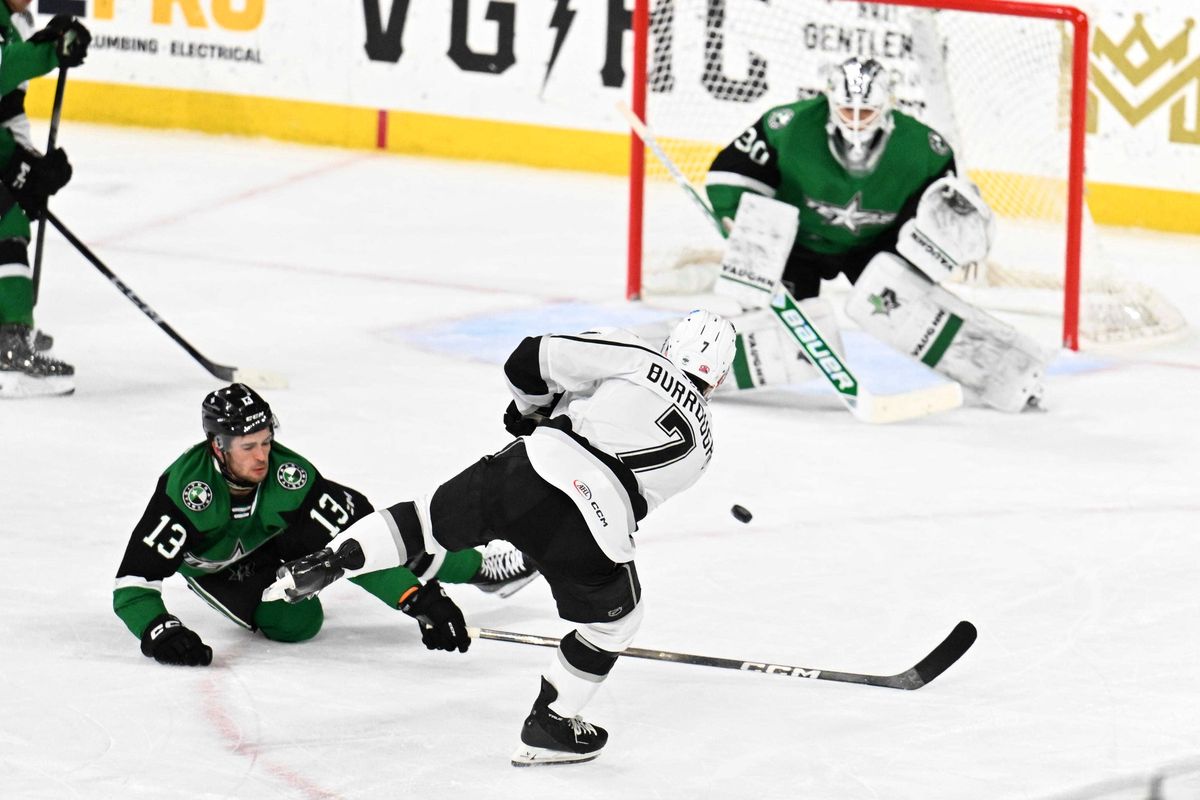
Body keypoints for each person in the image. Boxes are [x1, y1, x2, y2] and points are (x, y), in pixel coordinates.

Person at [264, 311, 738, 766]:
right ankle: (551, 723)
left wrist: (534, 412)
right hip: (596, 524)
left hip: (528, 472)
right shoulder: (704, 446)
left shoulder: (636, 353)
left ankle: (330, 560)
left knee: (422, 522)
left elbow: (528, 359)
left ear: (670, 344)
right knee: (615, 625)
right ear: (717, 379)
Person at [704, 57, 1046, 412]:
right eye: (846, 110)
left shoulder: (925, 149)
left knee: (910, 312)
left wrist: (946, 248)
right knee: (776, 333)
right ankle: (701, 370)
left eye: (865, 112)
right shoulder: (789, 125)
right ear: (830, 101)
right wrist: (744, 229)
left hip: (874, 247)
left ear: (886, 107)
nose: (854, 121)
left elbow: (943, 215)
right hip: (797, 245)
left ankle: (1008, 375)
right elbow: (730, 173)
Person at [113, 383, 538, 668]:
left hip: (277, 533)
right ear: (217, 447)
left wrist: (417, 599)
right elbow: (133, 585)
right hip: (224, 570)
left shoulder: (289, 476)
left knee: (388, 541)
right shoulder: (188, 493)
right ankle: (305, 576)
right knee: (299, 623)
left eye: (266, 442)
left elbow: (361, 539)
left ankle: (480, 569)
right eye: (248, 447)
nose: (262, 456)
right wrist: (158, 629)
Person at [0, 6, 90, 398]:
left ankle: (8, 330)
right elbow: (4, 66)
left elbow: (6, 108)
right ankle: (11, 348)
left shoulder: (12, 21)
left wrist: (29, 163)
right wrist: (50, 51)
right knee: (6, 225)